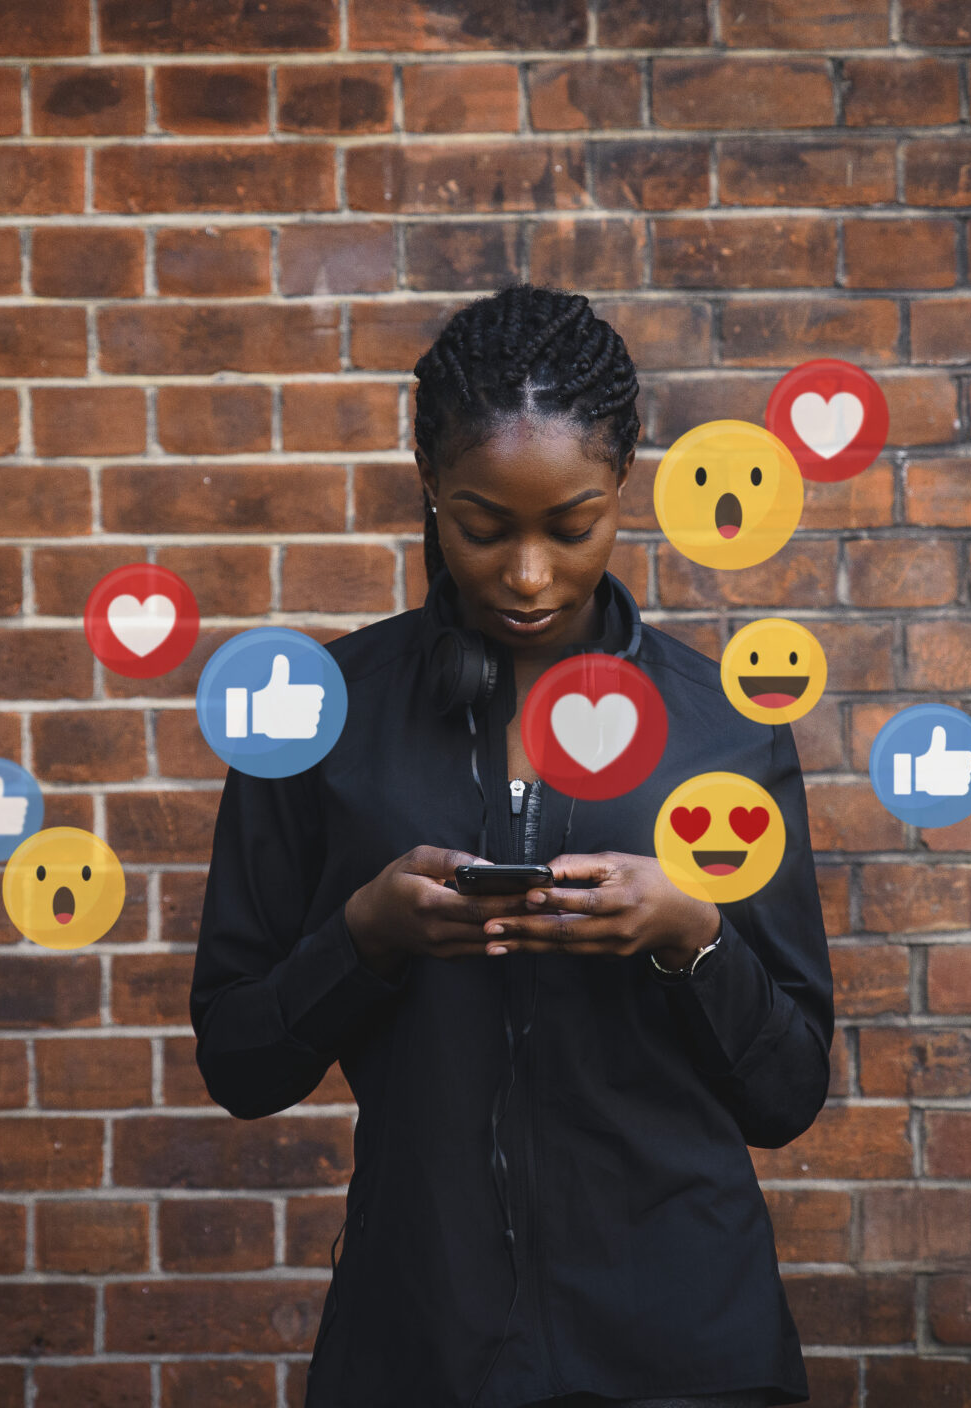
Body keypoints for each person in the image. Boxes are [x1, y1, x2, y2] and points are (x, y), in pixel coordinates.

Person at [190, 285, 834, 1408]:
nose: (527, 574)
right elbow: (240, 1061)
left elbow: (785, 1091)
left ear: (623, 489)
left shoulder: (727, 726)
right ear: (429, 492)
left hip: (685, 1345)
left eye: (571, 525)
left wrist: (690, 931)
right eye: (483, 527)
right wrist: (365, 934)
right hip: (421, 1340)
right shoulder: (311, 719)